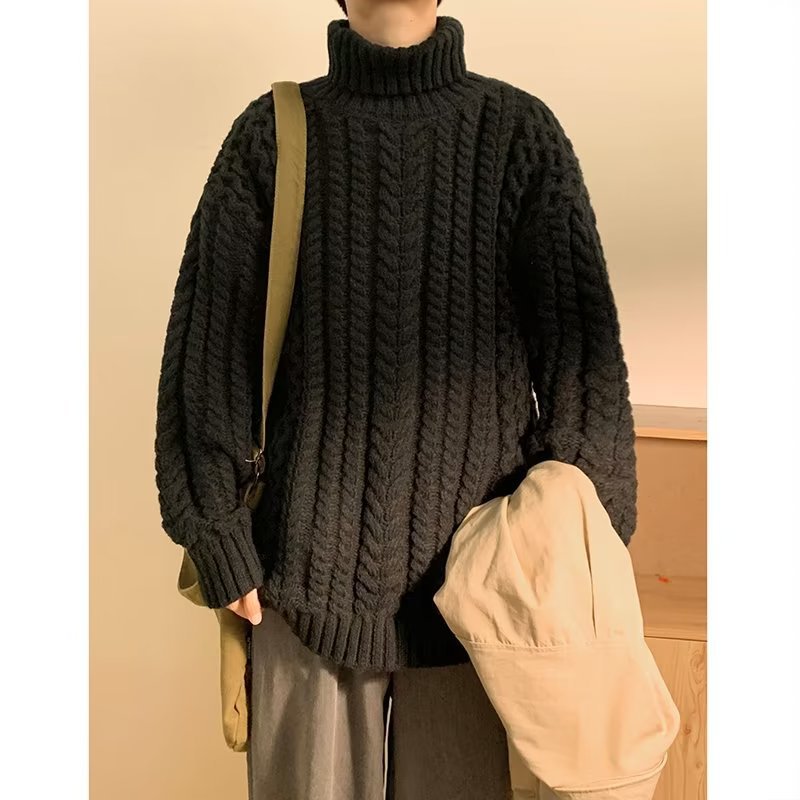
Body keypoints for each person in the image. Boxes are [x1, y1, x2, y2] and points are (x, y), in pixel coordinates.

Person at [154, 1, 638, 798]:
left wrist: (576, 555)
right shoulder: (270, 137)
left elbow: (586, 373)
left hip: (486, 607)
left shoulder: (519, 135)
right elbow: (208, 360)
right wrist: (216, 534)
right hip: (298, 591)